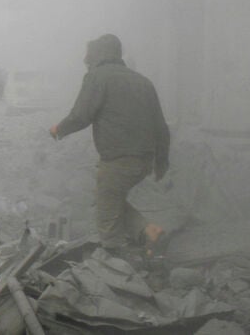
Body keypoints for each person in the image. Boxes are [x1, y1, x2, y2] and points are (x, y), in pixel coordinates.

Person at [49, 34, 169, 257]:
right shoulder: (143, 82)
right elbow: (161, 126)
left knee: (107, 208)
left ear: (99, 55)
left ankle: (114, 255)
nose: (86, 61)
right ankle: (148, 230)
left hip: (119, 158)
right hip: (145, 160)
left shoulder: (97, 77)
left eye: (89, 57)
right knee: (110, 196)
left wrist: (59, 129)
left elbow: (81, 115)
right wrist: (162, 161)